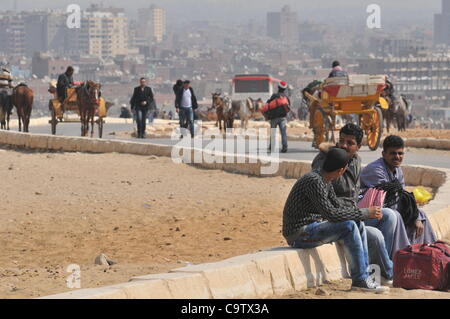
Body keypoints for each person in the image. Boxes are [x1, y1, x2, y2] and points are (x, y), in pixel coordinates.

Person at [283, 147, 389, 293]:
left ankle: (365, 276)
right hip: (299, 234)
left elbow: (337, 206)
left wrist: (361, 214)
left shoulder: (325, 179)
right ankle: (360, 279)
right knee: (349, 226)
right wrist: (365, 212)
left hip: (311, 228)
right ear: (341, 170)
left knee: (356, 221)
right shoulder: (314, 181)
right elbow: (331, 214)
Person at [312, 124, 396, 282]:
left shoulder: (356, 160)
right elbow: (325, 204)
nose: (344, 145)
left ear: (359, 146)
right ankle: (386, 274)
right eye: (341, 141)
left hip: (353, 213)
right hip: (336, 218)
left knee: (389, 215)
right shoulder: (327, 160)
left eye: (350, 143)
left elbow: (352, 196)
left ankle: (381, 268)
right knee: (376, 236)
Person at [361, 136, 437, 254]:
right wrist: (412, 215)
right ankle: (402, 255)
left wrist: (416, 216)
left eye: (400, 153)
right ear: (384, 153)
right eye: (393, 153)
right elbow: (390, 199)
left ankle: (430, 251)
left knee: (421, 215)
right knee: (396, 215)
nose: (397, 157)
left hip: (389, 207)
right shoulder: (375, 170)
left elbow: (403, 197)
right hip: (370, 214)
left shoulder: (397, 170)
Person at [264, 81, 291, 153]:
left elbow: (268, 104)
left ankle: (272, 147)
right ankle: (284, 147)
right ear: (284, 89)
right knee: (283, 133)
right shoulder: (286, 97)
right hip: (283, 118)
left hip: (274, 118)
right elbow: (289, 107)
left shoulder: (274, 96)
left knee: (273, 132)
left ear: (278, 87)